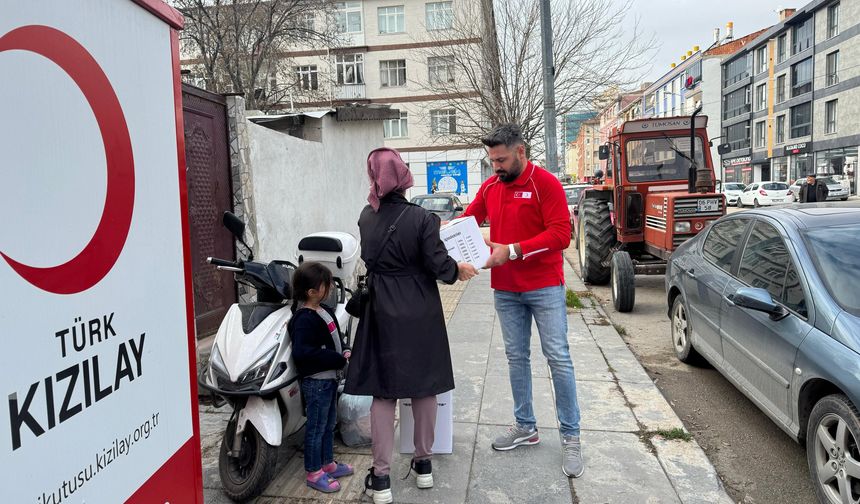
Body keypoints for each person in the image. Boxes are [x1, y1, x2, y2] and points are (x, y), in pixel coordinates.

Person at [344, 147, 478, 504]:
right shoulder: (422, 218)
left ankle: (382, 477)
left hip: (382, 308)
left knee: (383, 392)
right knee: (424, 387)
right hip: (419, 307)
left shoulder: (364, 217)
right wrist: (458, 270)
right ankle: (423, 466)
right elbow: (437, 263)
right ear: (403, 176)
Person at [462, 123, 584, 478]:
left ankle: (571, 436)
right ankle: (525, 425)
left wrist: (513, 251)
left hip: (544, 284)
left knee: (558, 358)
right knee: (516, 357)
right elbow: (469, 219)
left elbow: (562, 234)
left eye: (501, 160)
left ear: (521, 152)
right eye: (492, 160)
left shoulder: (545, 183)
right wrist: (440, 231)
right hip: (506, 289)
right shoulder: (490, 187)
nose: (495, 167)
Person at [288, 261, 354, 493]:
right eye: (326, 285)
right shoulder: (304, 319)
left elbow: (336, 338)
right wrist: (335, 359)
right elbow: (302, 353)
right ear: (312, 292)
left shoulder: (324, 311)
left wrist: (344, 349)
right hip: (316, 383)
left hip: (329, 381)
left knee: (328, 425)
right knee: (316, 428)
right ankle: (314, 472)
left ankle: (327, 463)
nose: (330, 289)